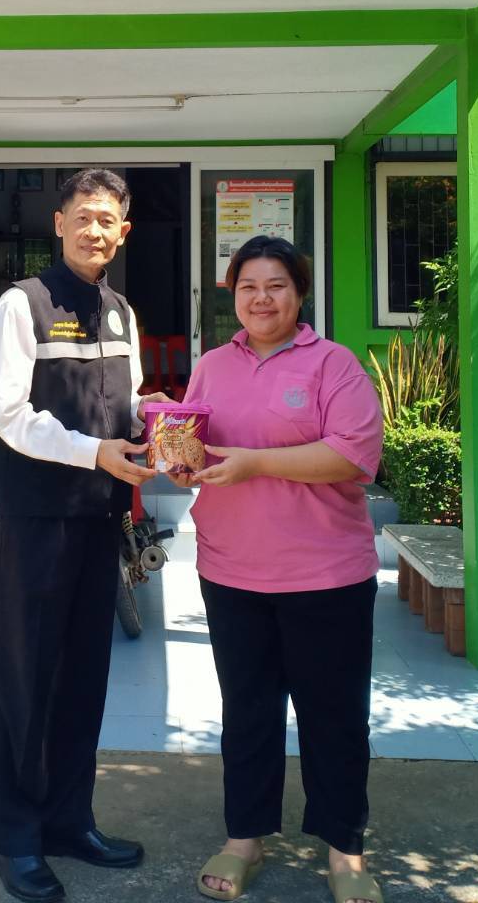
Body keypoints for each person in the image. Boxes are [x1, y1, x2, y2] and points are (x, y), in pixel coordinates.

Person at [171, 236, 384, 903]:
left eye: (276, 286)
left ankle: (345, 850)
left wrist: (257, 463)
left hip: (326, 574)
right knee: (248, 713)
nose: (261, 299)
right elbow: (195, 443)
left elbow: (354, 455)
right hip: (231, 570)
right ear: (232, 295)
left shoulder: (333, 364)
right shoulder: (212, 365)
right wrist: (179, 463)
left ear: (300, 294)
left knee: (334, 717)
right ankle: (245, 839)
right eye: (248, 287)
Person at [0, 167, 168, 903]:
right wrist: (94, 452)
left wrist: (159, 423)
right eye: (82, 216)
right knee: (25, 676)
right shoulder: (23, 304)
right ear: (58, 224)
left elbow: (122, 405)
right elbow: (6, 412)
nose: (95, 230)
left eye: (107, 219)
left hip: (100, 517)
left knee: (84, 674)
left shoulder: (120, 311)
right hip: (38, 518)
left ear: (124, 232)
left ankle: (68, 820)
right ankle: (15, 838)